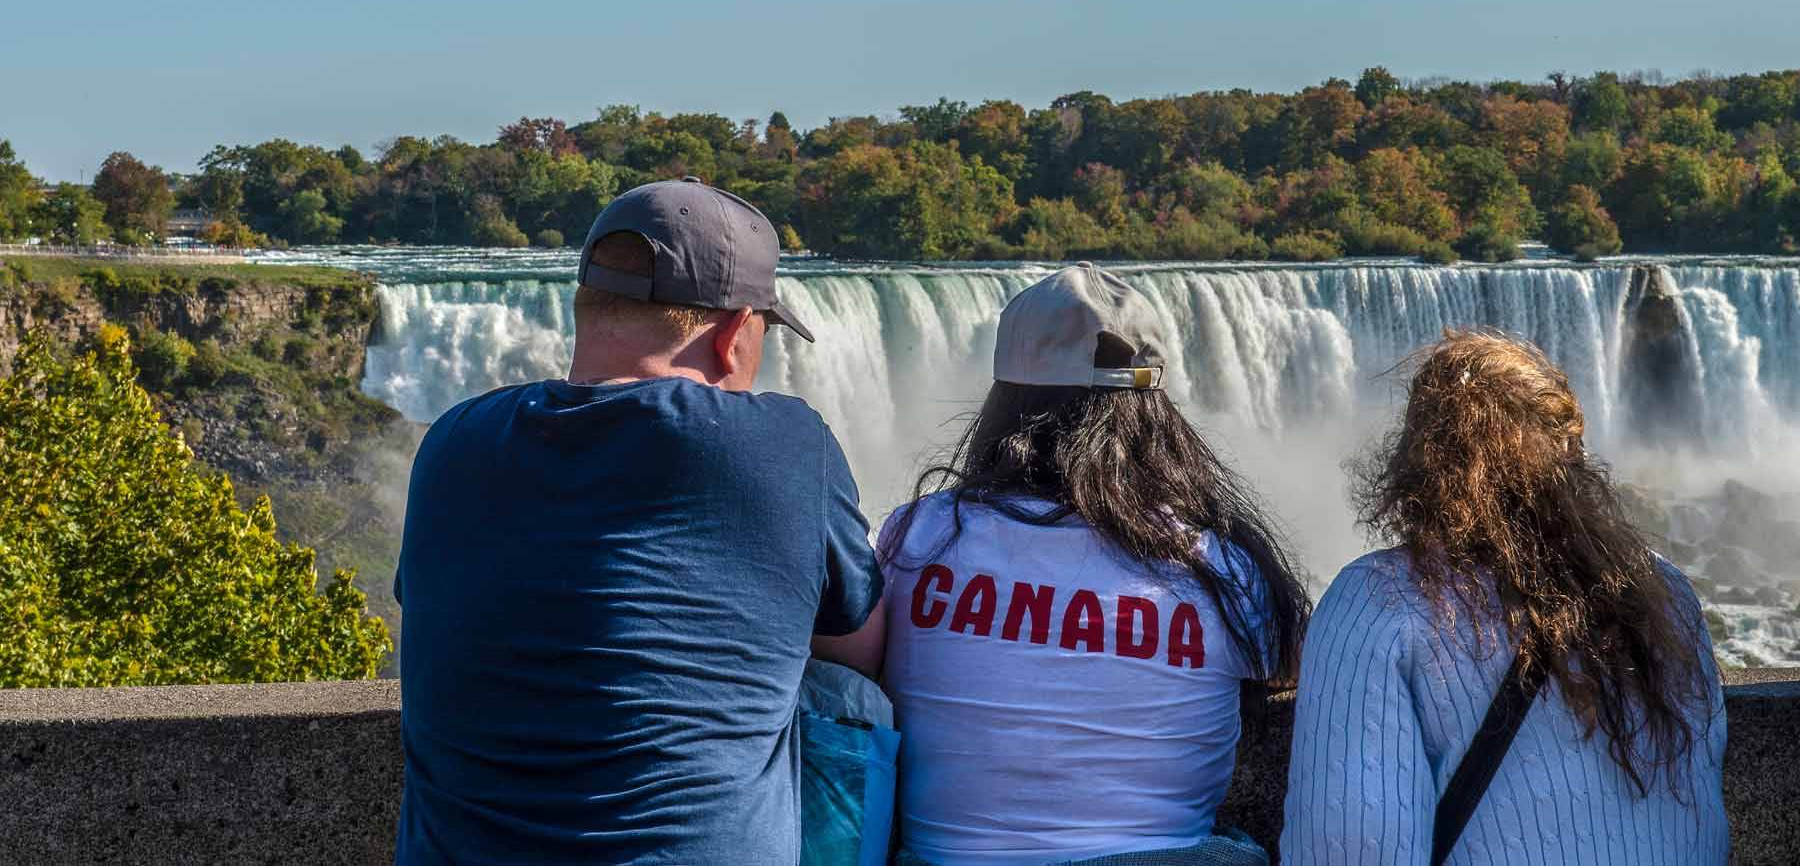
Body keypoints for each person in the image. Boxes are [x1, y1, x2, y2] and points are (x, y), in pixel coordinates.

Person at [393, 177, 887, 865]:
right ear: (736, 333)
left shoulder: (453, 439)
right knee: (848, 697)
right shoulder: (787, 444)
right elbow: (857, 643)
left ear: (587, 310)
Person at [879, 263, 1312, 865]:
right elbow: (1295, 670)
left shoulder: (916, 536)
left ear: (1006, 395)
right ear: (1153, 410)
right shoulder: (1223, 571)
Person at [1281, 330, 1729, 865]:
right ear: (1574, 459)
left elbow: (1348, 850)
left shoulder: (1379, 604)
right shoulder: (1664, 588)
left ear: (1419, 462)